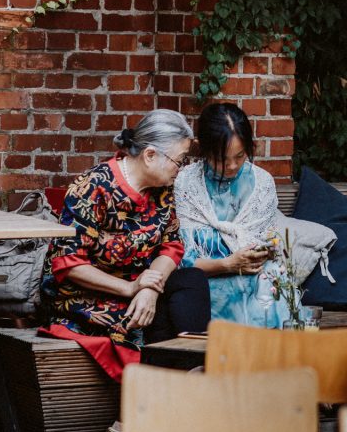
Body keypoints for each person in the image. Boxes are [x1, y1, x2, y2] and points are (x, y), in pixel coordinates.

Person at [43, 108, 207, 358]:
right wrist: (130, 289)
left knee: (191, 281)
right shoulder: (93, 187)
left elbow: (171, 246)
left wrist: (149, 288)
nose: (181, 169)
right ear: (150, 155)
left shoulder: (162, 189)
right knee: (160, 321)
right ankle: (173, 381)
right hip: (93, 295)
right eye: (179, 160)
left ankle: (192, 373)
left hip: (140, 287)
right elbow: (69, 263)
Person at [173, 103, 290, 327]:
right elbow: (182, 261)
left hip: (256, 281)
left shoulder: (262, 183)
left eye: (240, 155)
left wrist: (264, 251)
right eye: (221, 160)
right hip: (209, 284)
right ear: (204, 151)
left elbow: (270, 246)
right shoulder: (186, 183)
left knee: (272, 278)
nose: (232, 166)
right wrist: (229, 264)